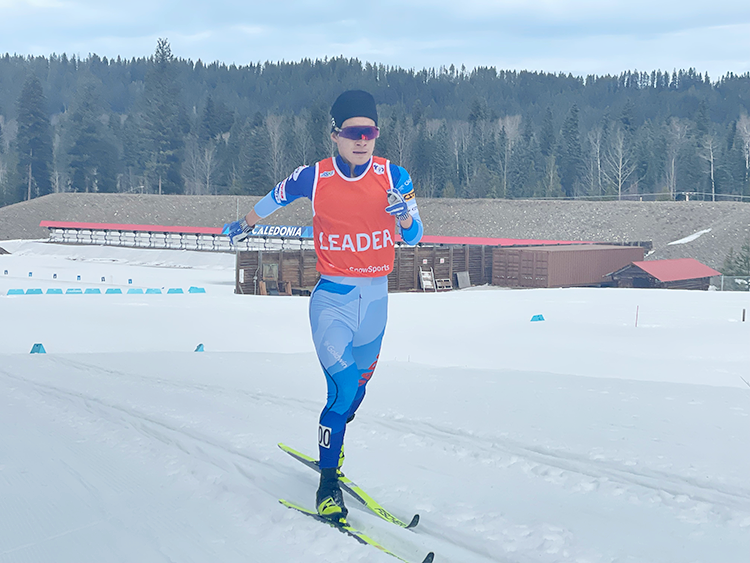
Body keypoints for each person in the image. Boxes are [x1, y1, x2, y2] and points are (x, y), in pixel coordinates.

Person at [223, 90, 423, 522]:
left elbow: (414, 235)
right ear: (335, 135)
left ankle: (332, 439)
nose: (361, 140)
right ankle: (328, 484)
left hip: (375, 303)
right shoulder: (315, 177)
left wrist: (404, 215)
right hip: (332, 301)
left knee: (358, 392)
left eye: (368, 131)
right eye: (352, 132)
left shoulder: (395, 175)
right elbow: (274, 198)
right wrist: (244, 224)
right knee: (343, 389)